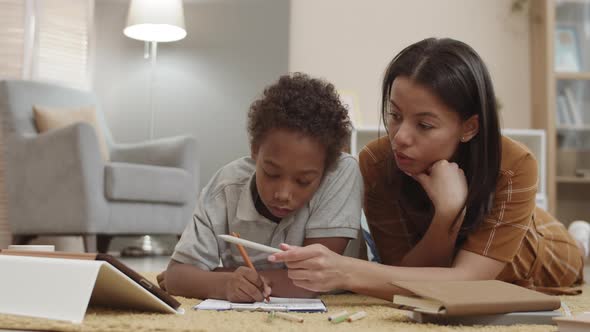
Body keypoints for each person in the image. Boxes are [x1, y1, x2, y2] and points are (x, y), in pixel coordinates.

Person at [268, 38, 585, 300]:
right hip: (461, 253)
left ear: (469, 127)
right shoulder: (377, 163)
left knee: (576, 256)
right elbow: (405, 276)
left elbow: (470, 282)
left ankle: (582, 239)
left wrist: (346, 271)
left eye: (424, 125)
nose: (400, 137)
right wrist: (446, 216)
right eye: (394, 115)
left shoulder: (515, 165)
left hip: (542, 249)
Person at [157, 73, 362, 302]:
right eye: (272, 173)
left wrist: (211, 276)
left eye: (303, 181)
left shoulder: (341, 173)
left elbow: (311, 281)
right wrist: (225, 285)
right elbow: (176, 276)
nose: (283, 194)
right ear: (255, 149)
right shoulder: (227, 187)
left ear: (327, 167)